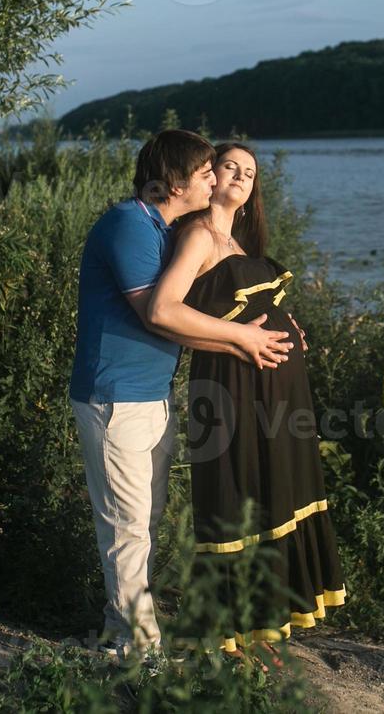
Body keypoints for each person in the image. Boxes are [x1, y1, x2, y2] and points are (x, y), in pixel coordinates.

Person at [68, 129, 294, 663]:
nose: (215, 180)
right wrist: (244, 339)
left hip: (151, 395)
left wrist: (265, 332)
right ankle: (138, 651)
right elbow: (161, 314)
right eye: (205, 174)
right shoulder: (129, 224)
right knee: (127, 527)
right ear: (173, 182)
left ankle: (116, 631)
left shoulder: (161, 230)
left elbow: (193, 315)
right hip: (114, 397)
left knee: (144, 521)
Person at [148, 141, 347, 669]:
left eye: (250, 172)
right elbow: (164, 309)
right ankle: (224, 638)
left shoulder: (235, 243)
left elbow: (243, 305)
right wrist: (242, 338)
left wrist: (284, 325)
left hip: (272, 394)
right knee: (239, 497)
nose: (240, 175)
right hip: (232, 391)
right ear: (208, 176)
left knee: (272, 495)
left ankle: (260, 626)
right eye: (229, 166)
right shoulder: (197, 236)